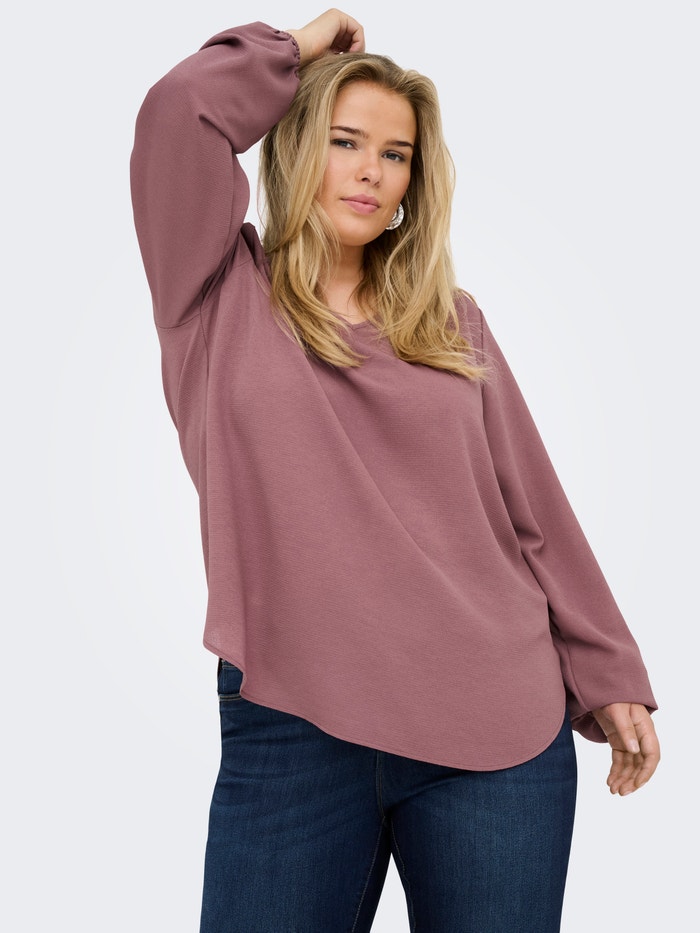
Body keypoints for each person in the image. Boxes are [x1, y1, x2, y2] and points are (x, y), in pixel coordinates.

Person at [130, 9, 660, 931]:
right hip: (290, 722)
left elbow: (532, 509)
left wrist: (608, 668)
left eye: (396, 153)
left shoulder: (450, 322)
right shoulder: (215, 295)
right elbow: (180, 112)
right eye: (345, 141)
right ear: (297, 147)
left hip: (493, 728)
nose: (372, 170)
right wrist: (295, 49)